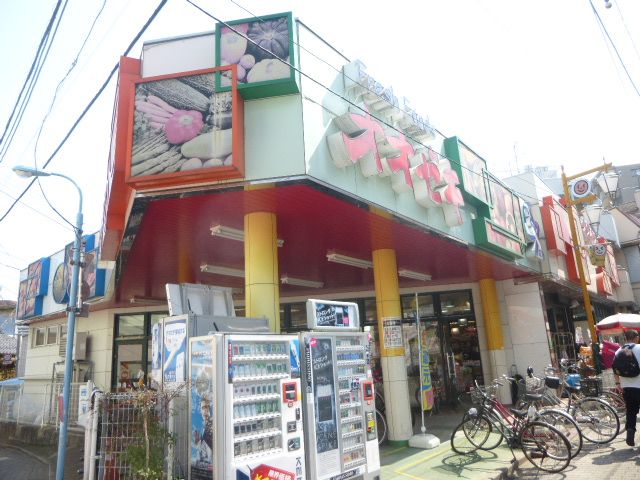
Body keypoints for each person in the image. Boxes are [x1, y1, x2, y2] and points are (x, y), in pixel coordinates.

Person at [615, 329, 640, 447]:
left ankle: (630, 431)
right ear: (636, 337)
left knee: (631, 411)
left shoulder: (619, 350)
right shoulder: (639, 348)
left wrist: (618, 384)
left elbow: (615, 369)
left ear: (625, 338)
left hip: (627, 387)